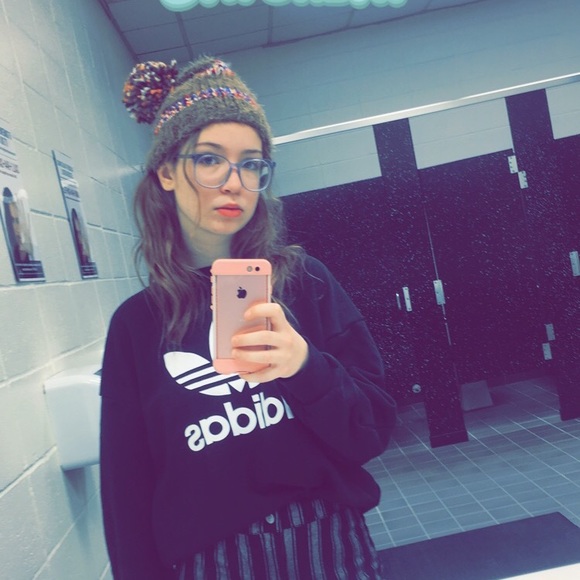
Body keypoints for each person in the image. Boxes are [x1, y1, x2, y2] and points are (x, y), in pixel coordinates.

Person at [100, 55, 397, 580]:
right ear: (166, 171)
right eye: (209, 160)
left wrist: (305, 366)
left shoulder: (305, 282)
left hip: (328, 542)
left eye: (252, 163)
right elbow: (126, 490)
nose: (234, 182)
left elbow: (369, 432)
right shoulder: (136, 325)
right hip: (212, 561)